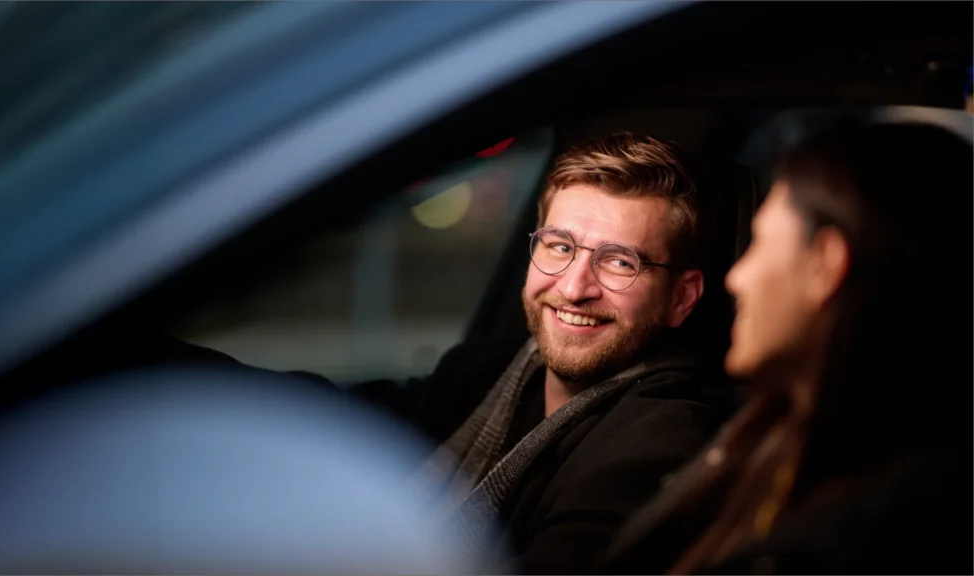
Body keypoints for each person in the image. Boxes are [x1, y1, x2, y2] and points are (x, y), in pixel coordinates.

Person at [595, 121, 973, 575]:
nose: (736, 279)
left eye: (759, 243)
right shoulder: (774, 440)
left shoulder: (882, 534)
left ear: (825, 264)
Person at [347, 133, 730, 573]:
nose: (573, 288)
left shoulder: (661, 444)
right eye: (560, 246)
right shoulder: (482, 371)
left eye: (620, 262)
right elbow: (346, 418)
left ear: (681, 298)